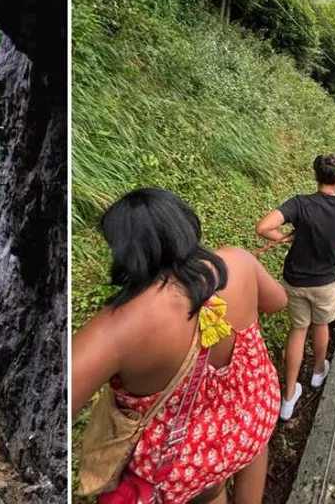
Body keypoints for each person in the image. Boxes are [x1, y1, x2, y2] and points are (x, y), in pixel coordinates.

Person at [72, 188, 287, 504]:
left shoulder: (116, 328)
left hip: (187, 465)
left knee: (208, 487)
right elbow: (278, 302)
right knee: (252, 444)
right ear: (187, 224)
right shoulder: (237, 262)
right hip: (255, 417)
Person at [255, 154, 335, 421]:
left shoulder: (300, 204)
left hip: (295, 281)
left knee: (298, 330)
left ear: (316, 175)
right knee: (321, 325)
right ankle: (318, 372)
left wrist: (288, 239)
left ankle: (288, 397)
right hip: (325, 282)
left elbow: (263, 227)